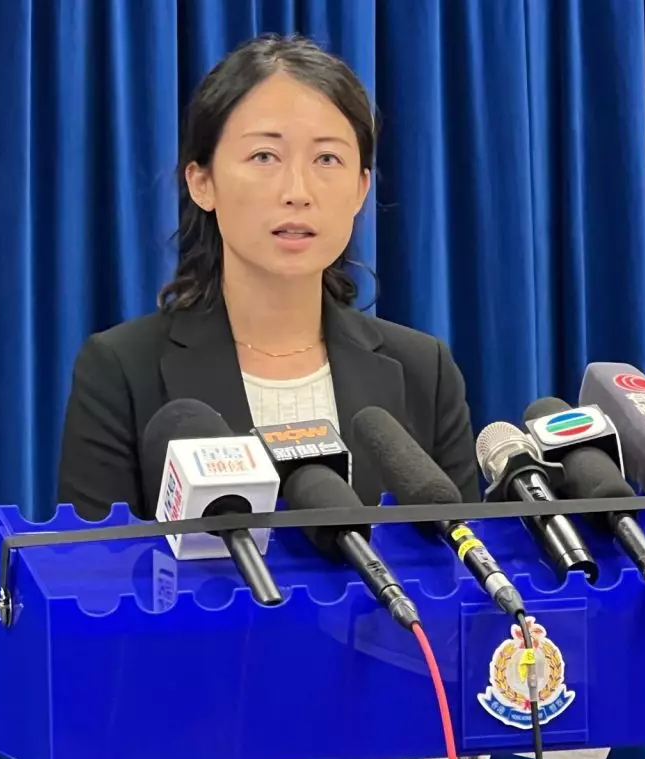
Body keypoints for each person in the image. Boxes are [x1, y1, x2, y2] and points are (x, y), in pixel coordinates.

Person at [56, 34, 479, 522]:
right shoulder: (121, 372)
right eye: (264, 156)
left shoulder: (424, 371)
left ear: (361, 188)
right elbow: (95, 565)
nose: (297, 191)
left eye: (327, 159)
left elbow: (463, 557)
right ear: (202, 182)